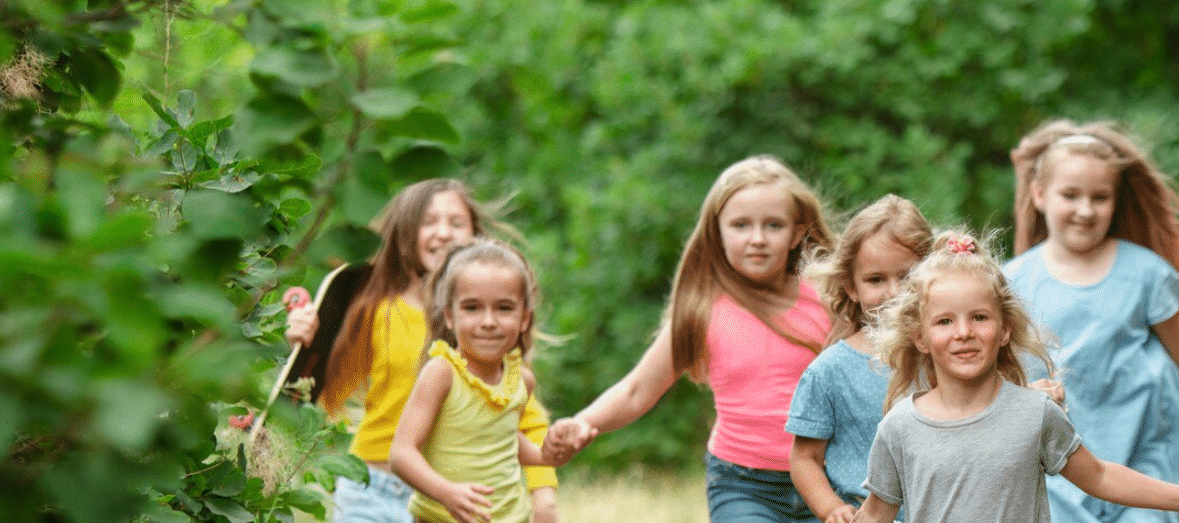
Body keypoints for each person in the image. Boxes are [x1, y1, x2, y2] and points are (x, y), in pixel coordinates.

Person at [854, 231, 1179, 523]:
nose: (963, 332)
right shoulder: (900, 427)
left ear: (1005, 329)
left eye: (979, 317)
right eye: (944, 321)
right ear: (920, 337)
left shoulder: (1034, 412)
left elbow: (1101, 476)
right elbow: (875, 516)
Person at [545, 156, 835, 522]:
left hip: (825, 480)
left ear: (797, 232)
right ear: (717, 232)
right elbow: (636, 390)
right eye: (741, 225)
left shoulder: (827, 300)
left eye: (773, 225)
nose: (757, 239)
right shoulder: (702, 310)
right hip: (744, 486)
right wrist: (582, 423)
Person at [283, 180, 563, 523]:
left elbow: (523, 419)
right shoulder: (377, 309)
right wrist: (304, 338)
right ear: (405, 235)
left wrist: (543, 495)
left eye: (456, 223)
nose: (443, 233)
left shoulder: (488, 330)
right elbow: (326, 386)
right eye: (429, 222)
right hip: (372, 489)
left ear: (475, 236)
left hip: (449, 501)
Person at [1005, 120, 1179, 523]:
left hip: (1146, 468)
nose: (1085, 210)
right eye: (1070, 195)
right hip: (1057, 471)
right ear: (1039, 194)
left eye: (1100, 197)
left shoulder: (1147, 274)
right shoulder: (1011, 282)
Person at [391, 239, 585, 523]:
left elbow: (501, 436)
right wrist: (446, 492)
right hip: (442, 518)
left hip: (511, 516)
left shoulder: (521, 380)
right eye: (472, 308)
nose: (488, 321)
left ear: (524, 319)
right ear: (449, 316)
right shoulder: (441, 373)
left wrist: (548, 455)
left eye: (504, 308)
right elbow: (401, 454)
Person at [787, 195, 934, 523]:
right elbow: (804, 459)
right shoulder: (830, 371)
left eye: (908, 277)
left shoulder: (947, 355)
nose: (894, 292)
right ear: (851, 286)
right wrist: (832, 509)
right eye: (875, 280)